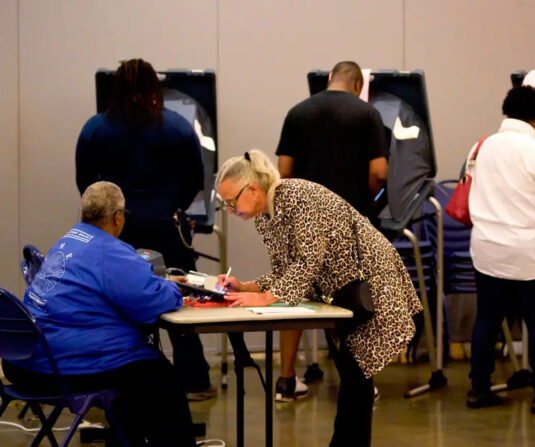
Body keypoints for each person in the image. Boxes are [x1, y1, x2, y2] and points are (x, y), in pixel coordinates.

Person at [215, 150, 420, 447]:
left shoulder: (296, 196)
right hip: (337, 292)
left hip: (370, 285)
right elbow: (286, 271)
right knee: (353, 377)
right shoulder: (267, 215)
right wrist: (247, 286)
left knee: (357, 377)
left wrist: (268, 298)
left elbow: (308, 262)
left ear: (253, 190)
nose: (231, 210)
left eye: (231, 202)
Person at [2, 181, 196, 447]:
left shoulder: (66, 242)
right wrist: (174, 289)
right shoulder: (109, 251)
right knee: (160, 377)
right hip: (62, 368)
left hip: (23, 362)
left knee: (130, 386)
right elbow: (152, 301)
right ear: (118, 218)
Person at [74, 58, 215, 401]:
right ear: (155, 87)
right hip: (166, 228)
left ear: (116, 87)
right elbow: (197, 179)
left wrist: (111, 214)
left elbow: (85, 183)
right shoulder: (178, 126)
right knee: (180, 298)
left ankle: (120, 380)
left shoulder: (96, 127)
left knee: (114, 304)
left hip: (114, 232)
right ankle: (194, 379)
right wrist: (170, 206)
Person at [273, 60, 389, 401]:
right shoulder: (367, 114)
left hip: (303, 220)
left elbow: (283, 172)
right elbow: (379, 173)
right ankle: (360, 381)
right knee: (352, 300)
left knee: (293, 296)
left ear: (329, 80)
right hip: (349, 220)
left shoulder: (298, 112)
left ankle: (285, 382)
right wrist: (365, 199)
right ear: (357, 85)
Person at [466, 86, 535, 413]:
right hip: (533, 253)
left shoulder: (481, 147)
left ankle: (479, 389)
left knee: (486, 320)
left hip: (487, 249)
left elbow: (471, 187)